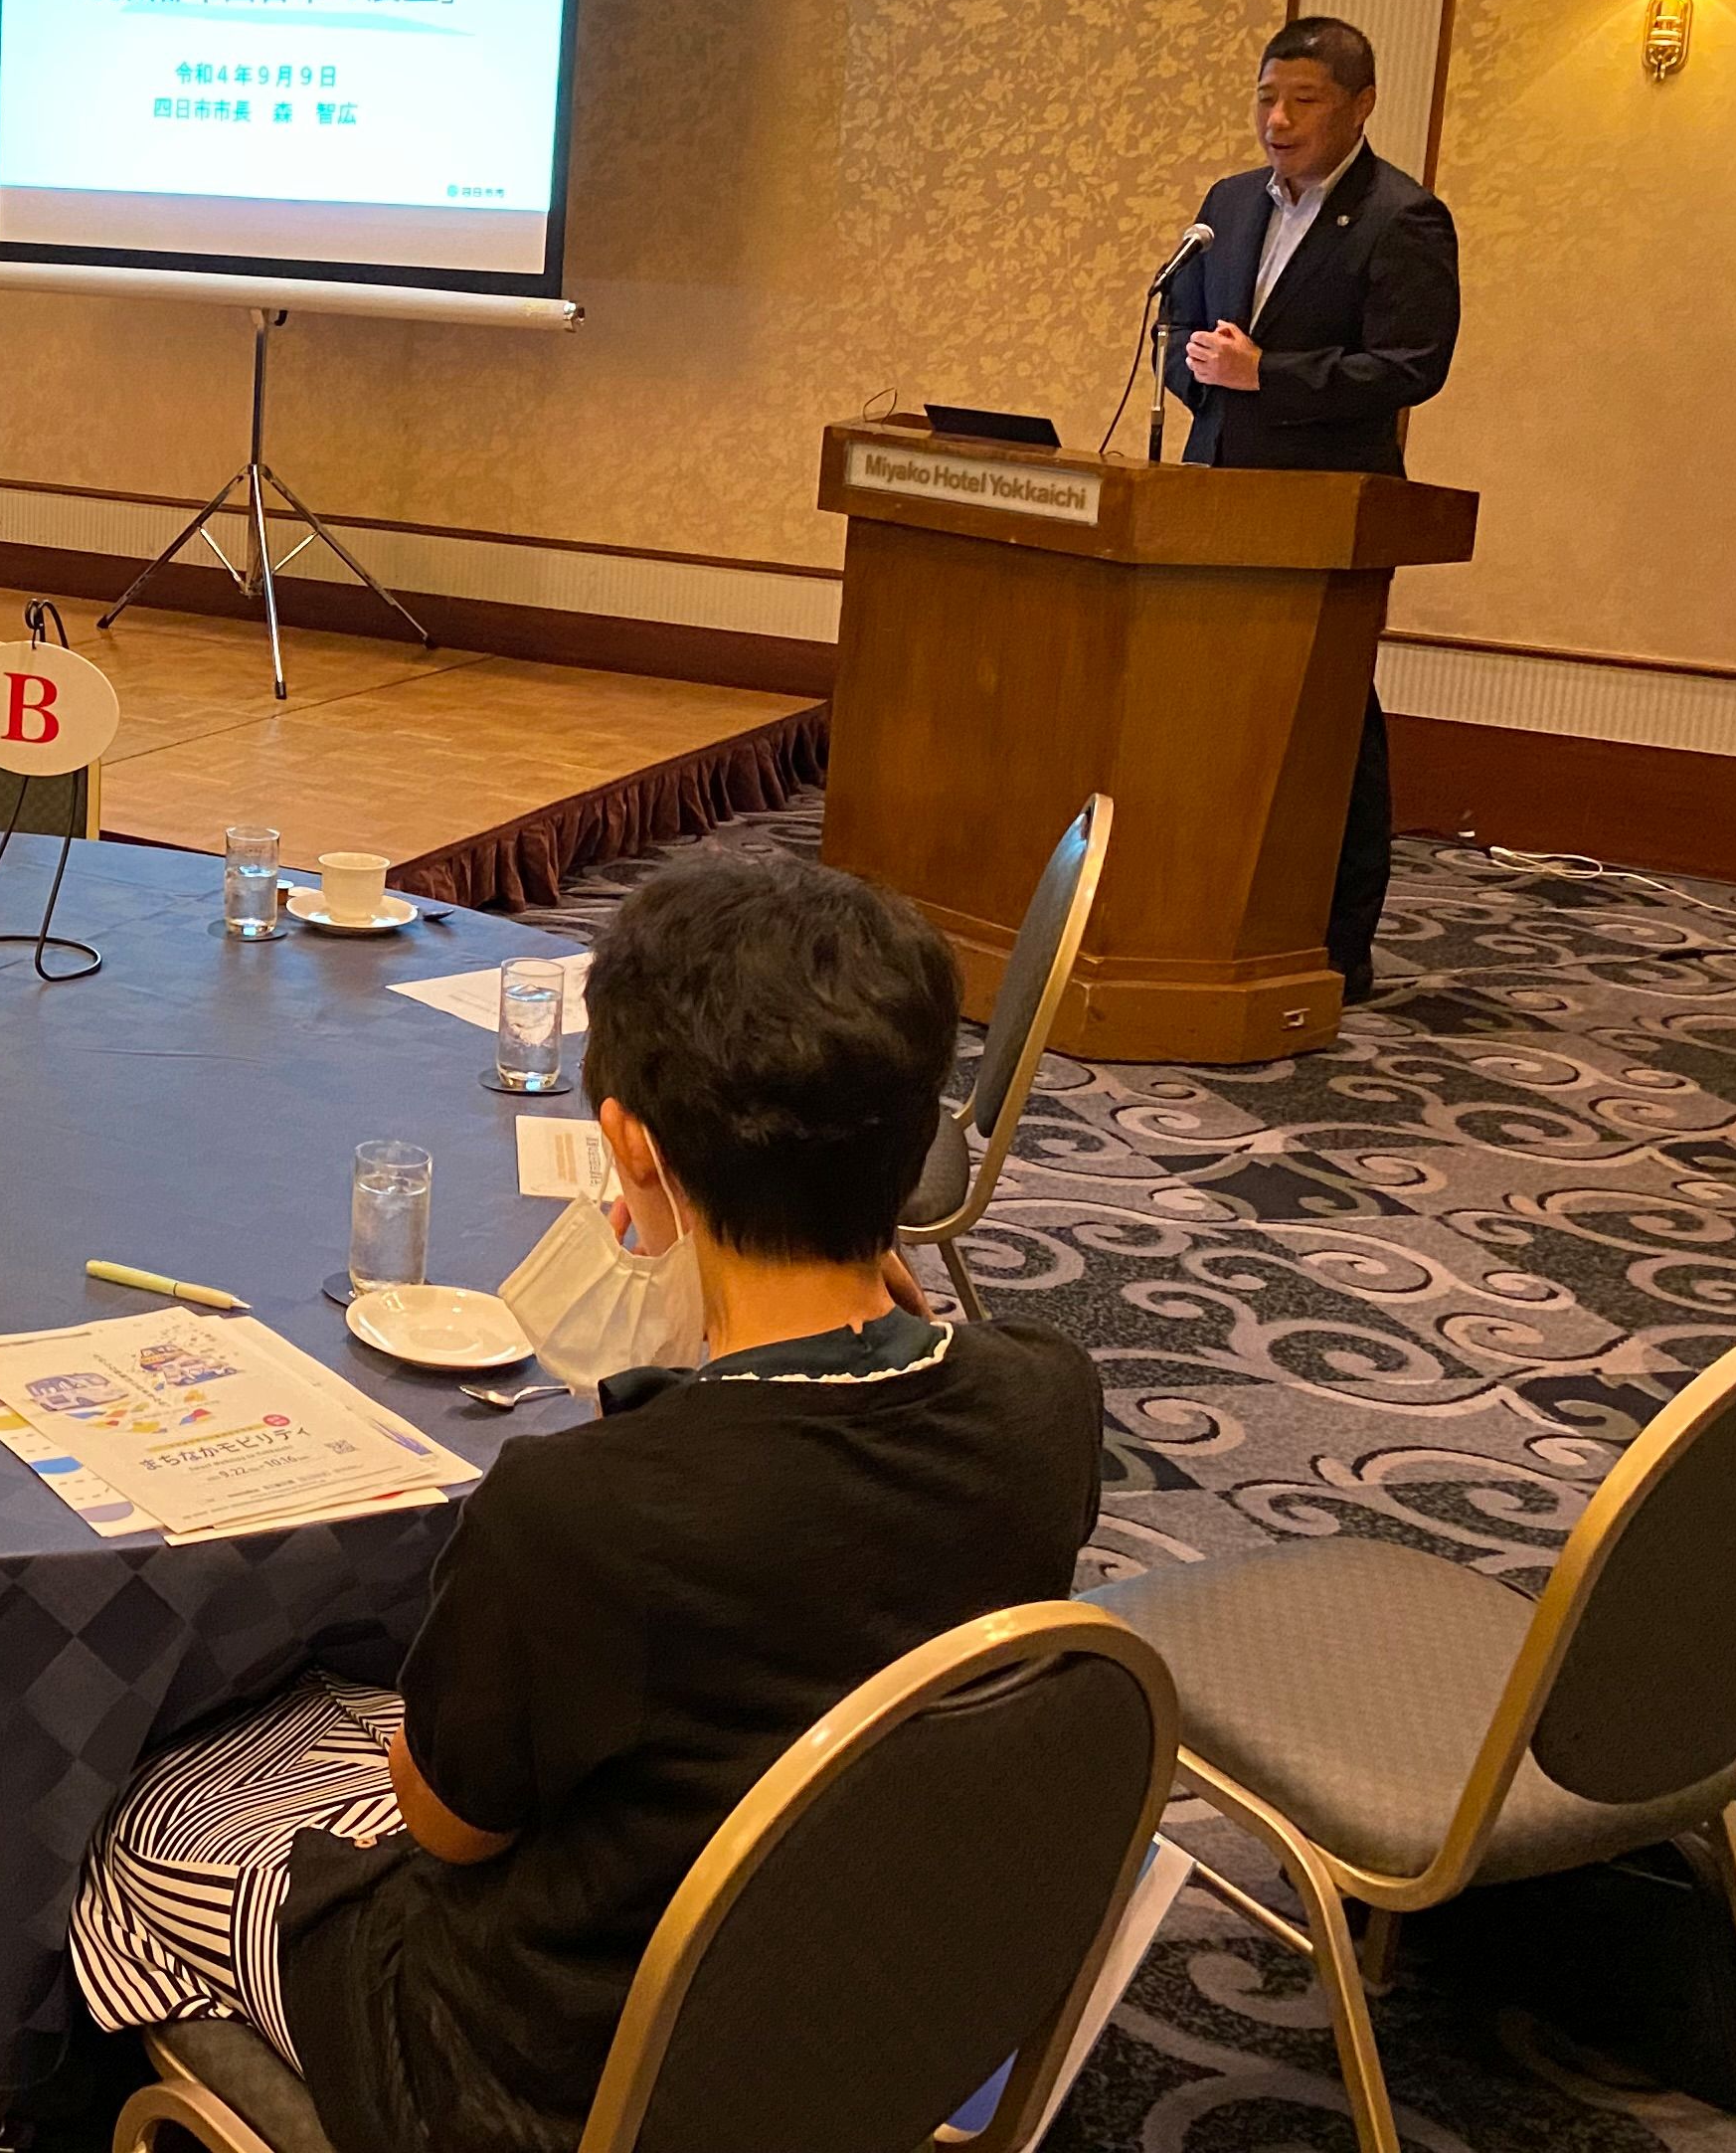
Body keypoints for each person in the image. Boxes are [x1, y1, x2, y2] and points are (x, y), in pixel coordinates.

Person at [71, 855, 1104, 2153]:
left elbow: (447, 1825)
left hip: (555, 2077)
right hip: (869, 2001)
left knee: (144, 1828)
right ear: (914, 1136)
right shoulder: (1048, 1401)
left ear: (629, 1149)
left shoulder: (586, 1508)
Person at [1159, 15, 1463, 1001]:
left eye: (1304, 101)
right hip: (1217, 499)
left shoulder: (1401, 218)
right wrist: (1203, 372)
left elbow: (1412, 367)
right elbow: (1184, 328)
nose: (1277, 121)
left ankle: (1339, 939)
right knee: (1206, 708)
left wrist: (1267, 375)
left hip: (1324, 509)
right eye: (1265, 98)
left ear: (1360, 106)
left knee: (1328, 723)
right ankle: (1203, 903)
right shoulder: (1228, 203)